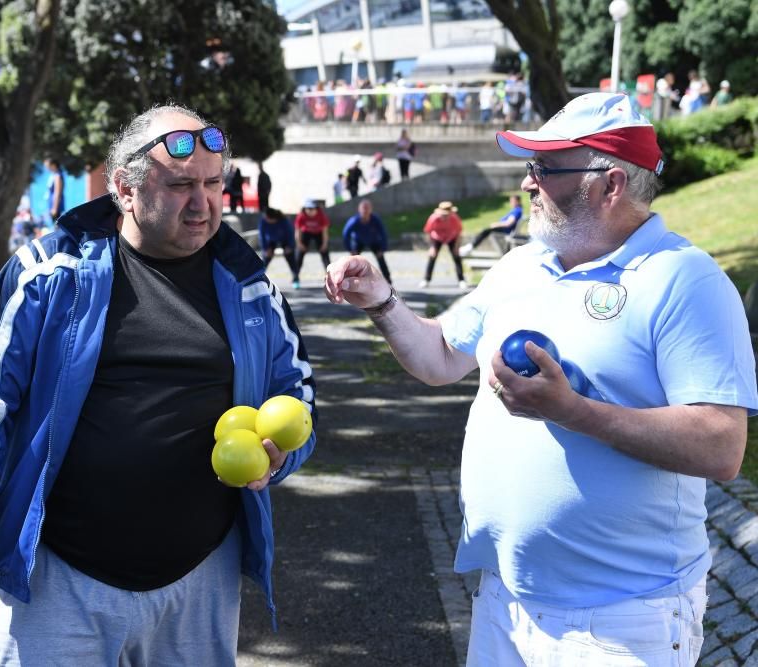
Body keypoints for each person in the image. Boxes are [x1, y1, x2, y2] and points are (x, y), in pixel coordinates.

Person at [323, 92, 757, 664]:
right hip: (505, 602)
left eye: (545, 168)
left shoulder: (684, 279)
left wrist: (572, 409)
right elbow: (439, 359)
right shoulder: (523, 264)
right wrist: (382, 300)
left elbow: (722, 445)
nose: (528, 183)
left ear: (609, 185)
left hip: (622, 619)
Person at [0, 104, 317, 663]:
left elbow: (298, 396)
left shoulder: (250, 285)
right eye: (181, 184)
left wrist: (281, 454)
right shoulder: (47, 276)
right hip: (56, 576)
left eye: (214, 184)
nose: (203, 203)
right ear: (125, 189)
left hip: (200, 576)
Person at [342, 199, 391, 284]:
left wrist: (382, 248)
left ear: (371, 209)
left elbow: (383, 234)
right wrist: (350, 249)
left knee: (381, 258)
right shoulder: (354, 221)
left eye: (367, 208)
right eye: (363, 208)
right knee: (354, 260)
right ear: (359, 210)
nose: (365, 211)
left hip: (373, 241)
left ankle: (388, 280)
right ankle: (351, 279)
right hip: (358, 241)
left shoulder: (375, 219)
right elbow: (345, 234)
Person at [419, 201, 466, 289]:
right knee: (432, 257)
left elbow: (459, 233)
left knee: (457, 257)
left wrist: (456, 247)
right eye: (443, 215)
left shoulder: (455, 218)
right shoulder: (433, 218)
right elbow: (428, 232)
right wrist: (432, 247)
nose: (445, 217)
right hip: (437, 238)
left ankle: (461, 280)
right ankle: (426, 279)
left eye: (447, 215)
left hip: (452, 237)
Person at [459, 194, 524, 256]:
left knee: (485, 231)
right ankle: (470, 246)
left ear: (518, 201)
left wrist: (496, 224)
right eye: (510, 201)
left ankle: (470, 247)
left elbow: (508, 223)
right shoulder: (516, 210)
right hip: (504, 229)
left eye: (512, 201)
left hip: (505, 230)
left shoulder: (517, 211)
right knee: (485, 231)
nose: (511, 202)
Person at [293, 197, 331, 288]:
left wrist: (324, 244)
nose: (310, 211)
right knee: (298, 255)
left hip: (318, 233)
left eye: (313, 209)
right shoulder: (301, 216)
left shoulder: (321, 215)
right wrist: (299, 244)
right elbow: (298, 231)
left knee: (325, 254)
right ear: (305, 209)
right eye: (308, 209)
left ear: (316, 209)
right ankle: (295, 278)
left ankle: (330, 278)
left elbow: (325, 232)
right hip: (306, 233)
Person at [258, 207, 300, 288]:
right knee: (265, 259)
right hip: (270, 240)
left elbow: (290, 234)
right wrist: (265, 249)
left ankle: (296, 279)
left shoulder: (284, 221)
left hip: (285, 240)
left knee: (291, 259)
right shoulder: (263, 221)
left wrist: (290, 246)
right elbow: (261, 236)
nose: (266, 219)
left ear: (274, 219)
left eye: (268, 219)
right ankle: (258, 278)